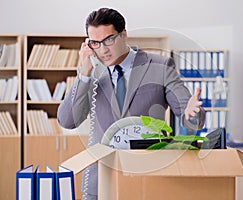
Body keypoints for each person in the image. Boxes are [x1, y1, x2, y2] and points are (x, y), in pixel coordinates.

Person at [57, 7, 205, 200]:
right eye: (95, 43)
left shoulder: (160, 66)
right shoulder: (92, 74)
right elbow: (68, 120)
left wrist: (192, 113)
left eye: (108, 40)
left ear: (123, 35)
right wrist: (84, 74)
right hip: (102, 180)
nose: (103, 49)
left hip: (148, 178)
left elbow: (191, 117)